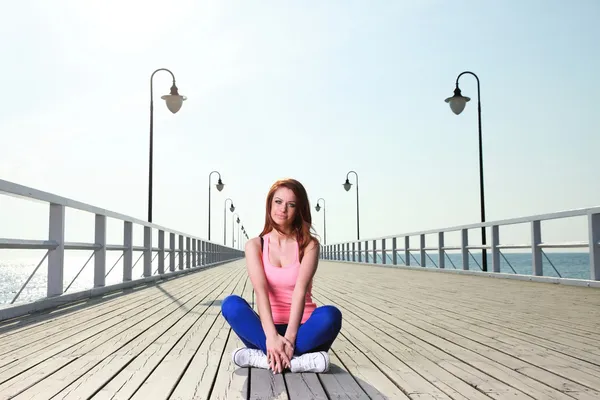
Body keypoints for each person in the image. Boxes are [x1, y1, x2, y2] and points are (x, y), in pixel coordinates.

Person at [221, 178, 342, 374]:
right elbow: (261, 292)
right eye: (278, 202)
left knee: (331, 315)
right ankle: (297, 361)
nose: (283, 209)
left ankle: (263, 358)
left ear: (299, 210)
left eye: (291, 204)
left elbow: (300, 291)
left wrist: (291, 338)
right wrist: (271, 337)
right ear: (270, 204)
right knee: (231, 305)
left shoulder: (309, 245)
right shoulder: (255, 245)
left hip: (302, 328)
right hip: (267, 329)